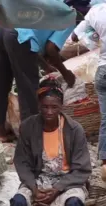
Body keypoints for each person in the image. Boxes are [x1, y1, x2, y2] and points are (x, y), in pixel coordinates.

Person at [5, 79, 91, 206]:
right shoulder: (28, 127)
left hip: (68, 182)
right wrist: (34, 189)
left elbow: (82, 169)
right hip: (39, 180)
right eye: (45, 107)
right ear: (39, 105)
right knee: (19, 201)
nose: (50, 112)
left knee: (75, 203)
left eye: (54, 107)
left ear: (62, 105)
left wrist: (58, 189)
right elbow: (22, 162)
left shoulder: (74, 130)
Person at [0, 24, 78, 142]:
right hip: (19, 35)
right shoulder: (68, 20)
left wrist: (46, 66)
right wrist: (66, 73)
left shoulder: (51, 7)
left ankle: (1, 134)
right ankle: (29, 137)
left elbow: (34, 41)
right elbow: (51, 49)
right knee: (27, 88)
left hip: (0, 28)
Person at [72, 2, 106, 180]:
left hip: (102, 71)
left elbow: (75, 36)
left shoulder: (94, 11)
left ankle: (105, 162)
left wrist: (96, 36)